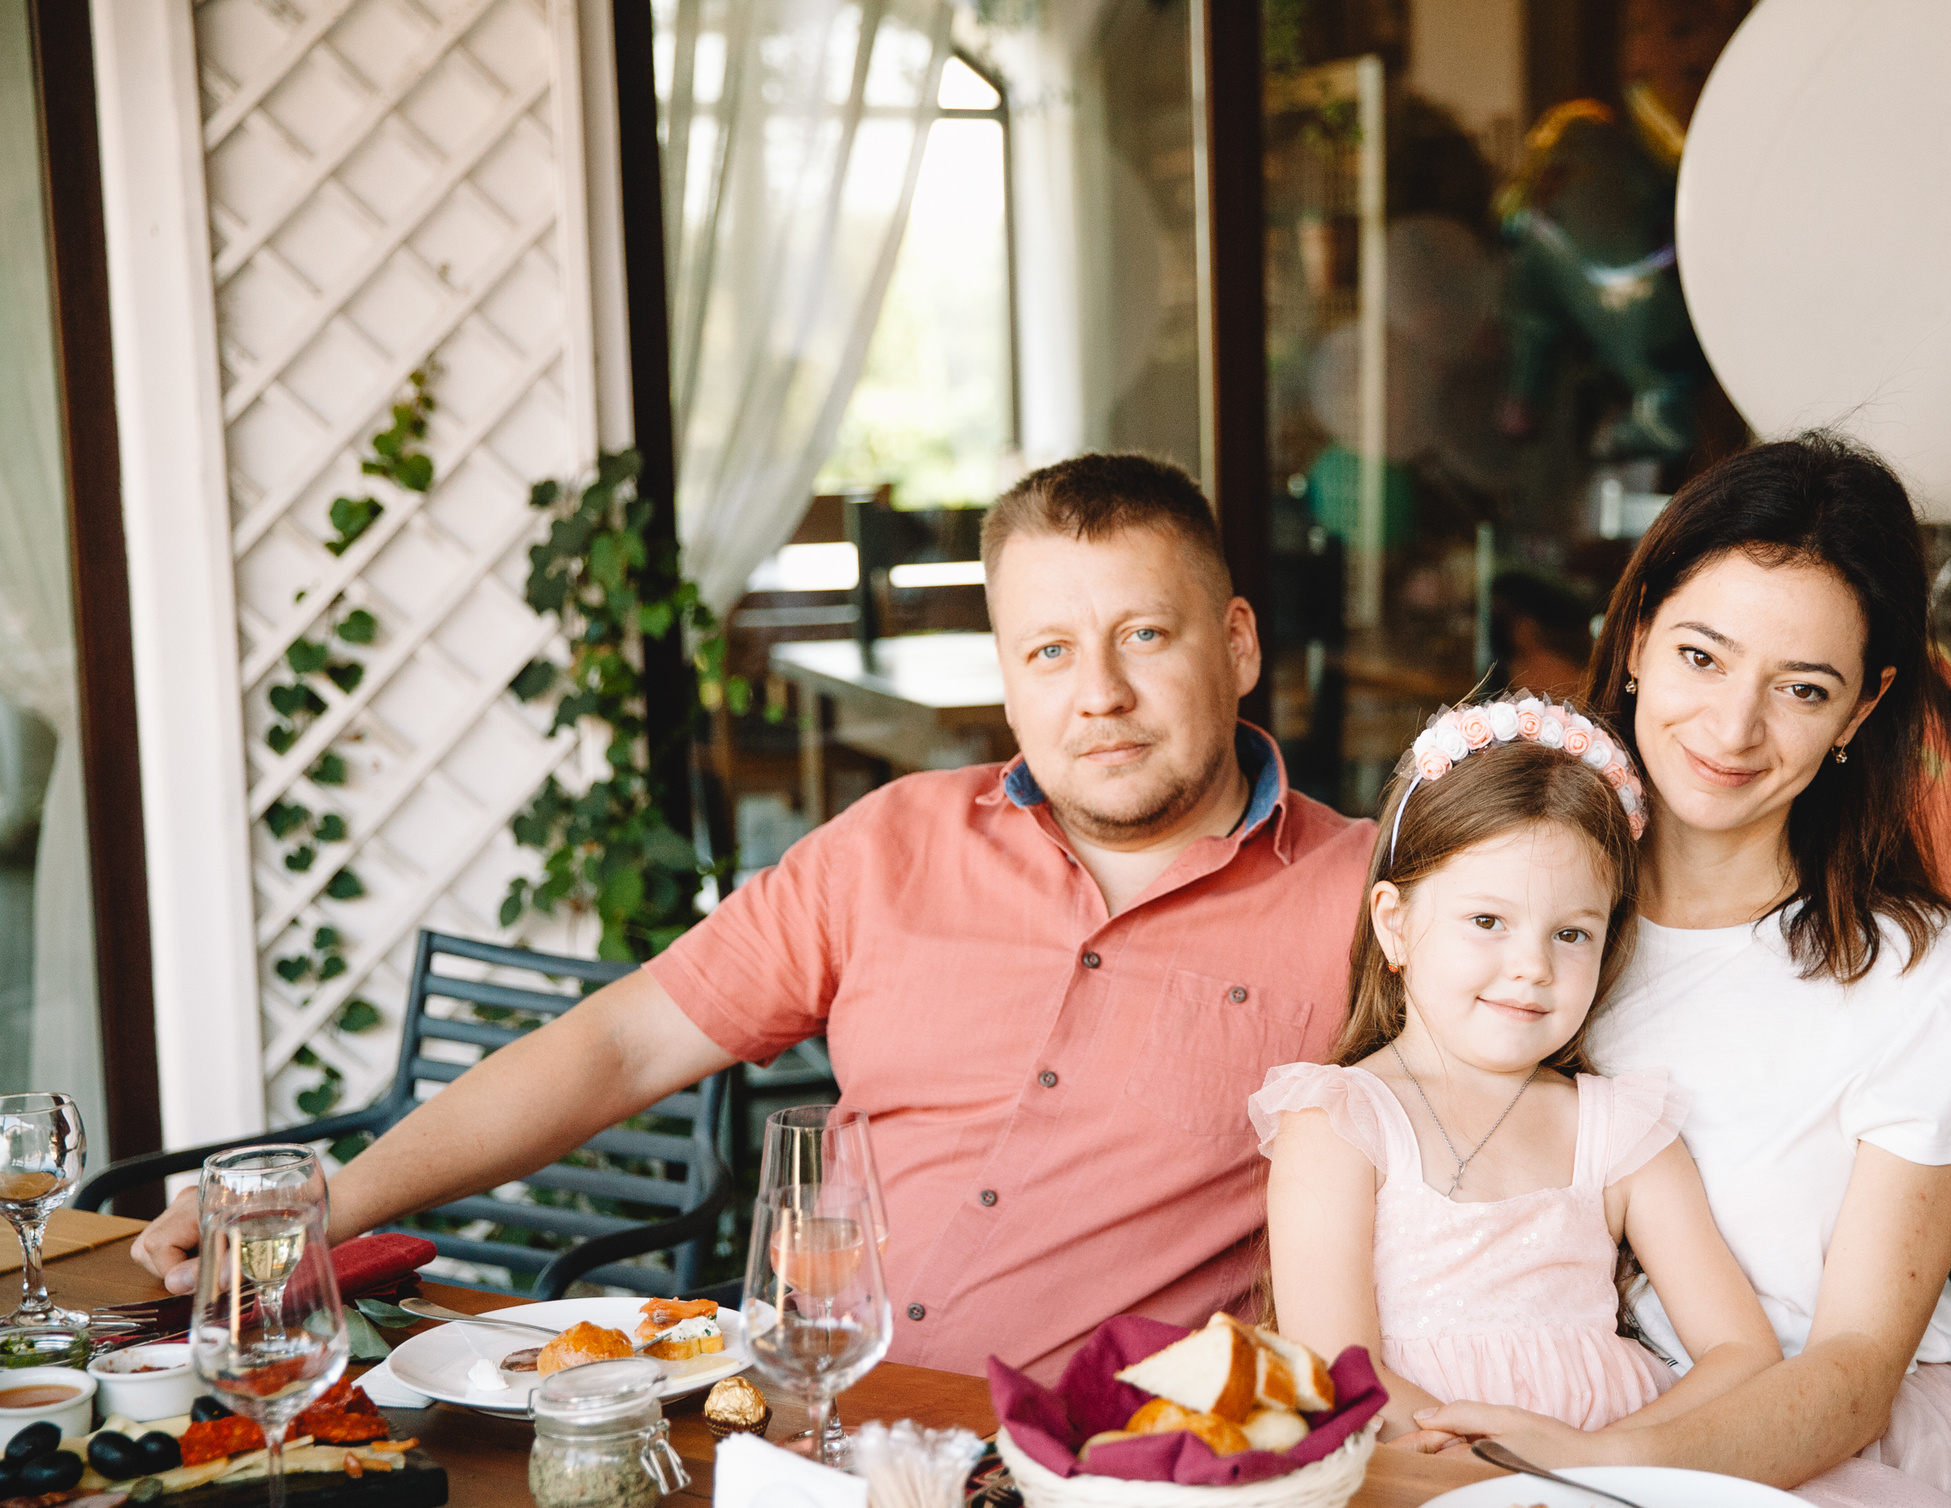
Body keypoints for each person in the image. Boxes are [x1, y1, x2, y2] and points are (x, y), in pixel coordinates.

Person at [131, 454, 1380, 1382]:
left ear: (1237, 645)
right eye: (1048, 651)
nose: (1097, 694)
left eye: (1143, 636)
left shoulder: (1375, 905)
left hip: (1112, 1485)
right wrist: (325, 1204)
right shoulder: (890, 845)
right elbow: (615, 1047)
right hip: (805, 1427)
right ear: (1006, 676)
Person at [1412, 433, 1951, 1508]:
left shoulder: (1920, 978)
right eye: (1703, 655)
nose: (1734, 728)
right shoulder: (1518, 905)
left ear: (1862, 710)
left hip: (1825, 1468)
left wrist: (1603, 1468)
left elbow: (1850, 1377)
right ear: (1639, 634)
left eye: (1802, 689)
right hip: (1506, 1437)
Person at [1255, 698, 1779, 1443]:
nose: (1532, 967)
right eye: (1487, 921)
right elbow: (1337, 1372)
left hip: (1611, 1497)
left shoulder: (1619, 1131)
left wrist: (1599, 1461)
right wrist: (1506, 1466)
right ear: (1394, 923)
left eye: (1570, 933)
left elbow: (1745, 1354)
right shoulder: (1341, 1122)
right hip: (1415, 1486)